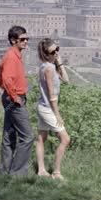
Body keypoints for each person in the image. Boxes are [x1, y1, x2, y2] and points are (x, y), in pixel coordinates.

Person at [0, 26, 34, 176]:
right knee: (27, 137)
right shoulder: (12, 56)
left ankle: (5, 171)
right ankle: (18, 174)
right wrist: (15, 98)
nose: (26, 41)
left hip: (10, 98)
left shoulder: (14, 55)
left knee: (9, 136)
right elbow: (6, 79)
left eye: (27, 39)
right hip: (14, 100)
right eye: (22, 39)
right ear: (13, 40)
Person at [35, 38, 71, 180]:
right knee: (65, 139)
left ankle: (41, 170)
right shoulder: (49, 69)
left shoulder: (47, 66)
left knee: (41, 138)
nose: (56, 52)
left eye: (58, 49)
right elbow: (52, 95)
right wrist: (57, 115)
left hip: (43, 106)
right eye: (53, 51)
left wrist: (59, 62)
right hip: (47, 108)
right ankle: (56, 172)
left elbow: (66, 80)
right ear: (45, 53)